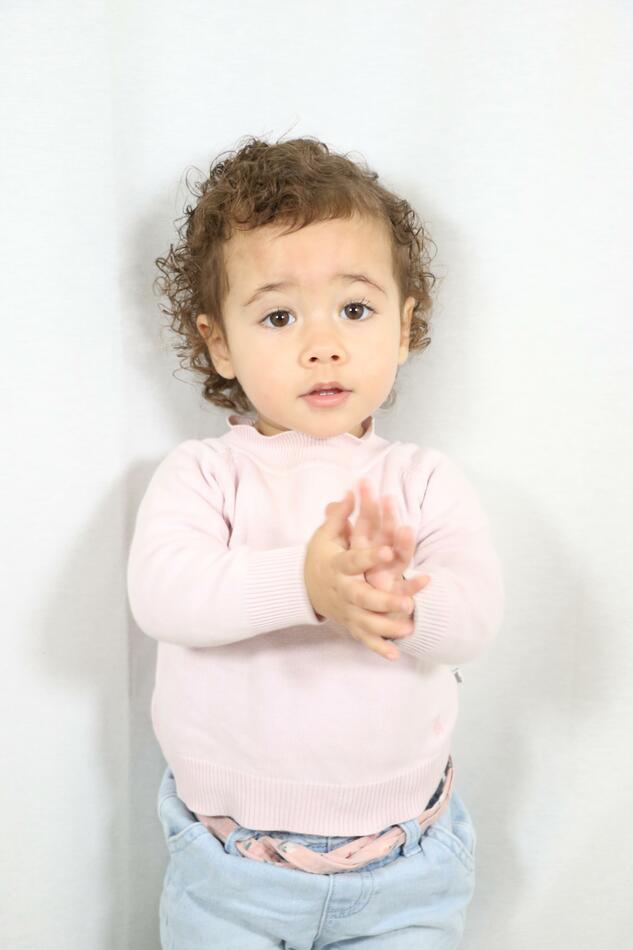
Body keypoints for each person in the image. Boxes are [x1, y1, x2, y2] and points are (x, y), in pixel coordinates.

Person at [126, 134, 505, 949]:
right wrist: (305, 585)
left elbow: (475, 619)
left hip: (407, 867)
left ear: (402, 328)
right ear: (219, 343)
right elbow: (164, 593)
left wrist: (401, 602)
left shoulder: (421, 479)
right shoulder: (206, 474)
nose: (322, 344)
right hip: (232, 871)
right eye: (278, 316)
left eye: (355, 310)